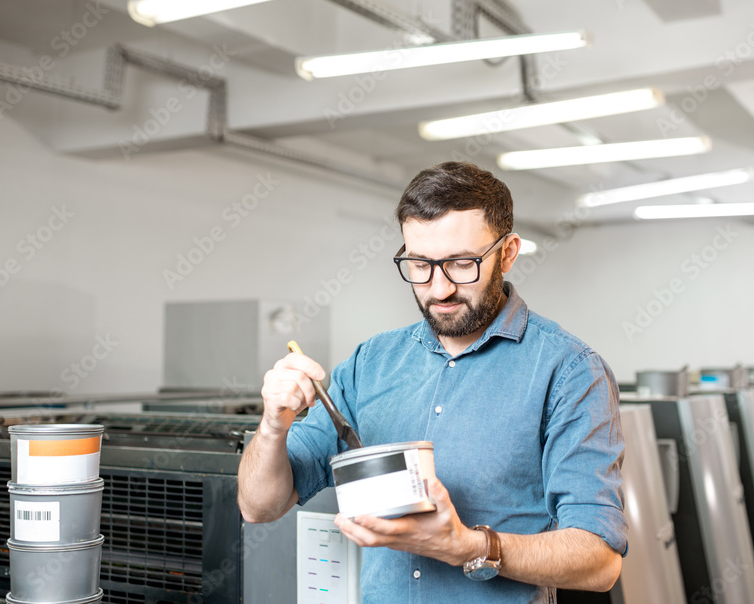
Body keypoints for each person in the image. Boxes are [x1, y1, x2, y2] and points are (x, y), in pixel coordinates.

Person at [238, 161, 626, 603]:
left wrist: (469, 547)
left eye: (462, 263)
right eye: (420, 264)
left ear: (509, 252)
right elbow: (258, 506)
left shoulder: (570, 371)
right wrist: (273, 425)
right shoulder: (372, 363)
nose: (439, 289)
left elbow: (600, 560)